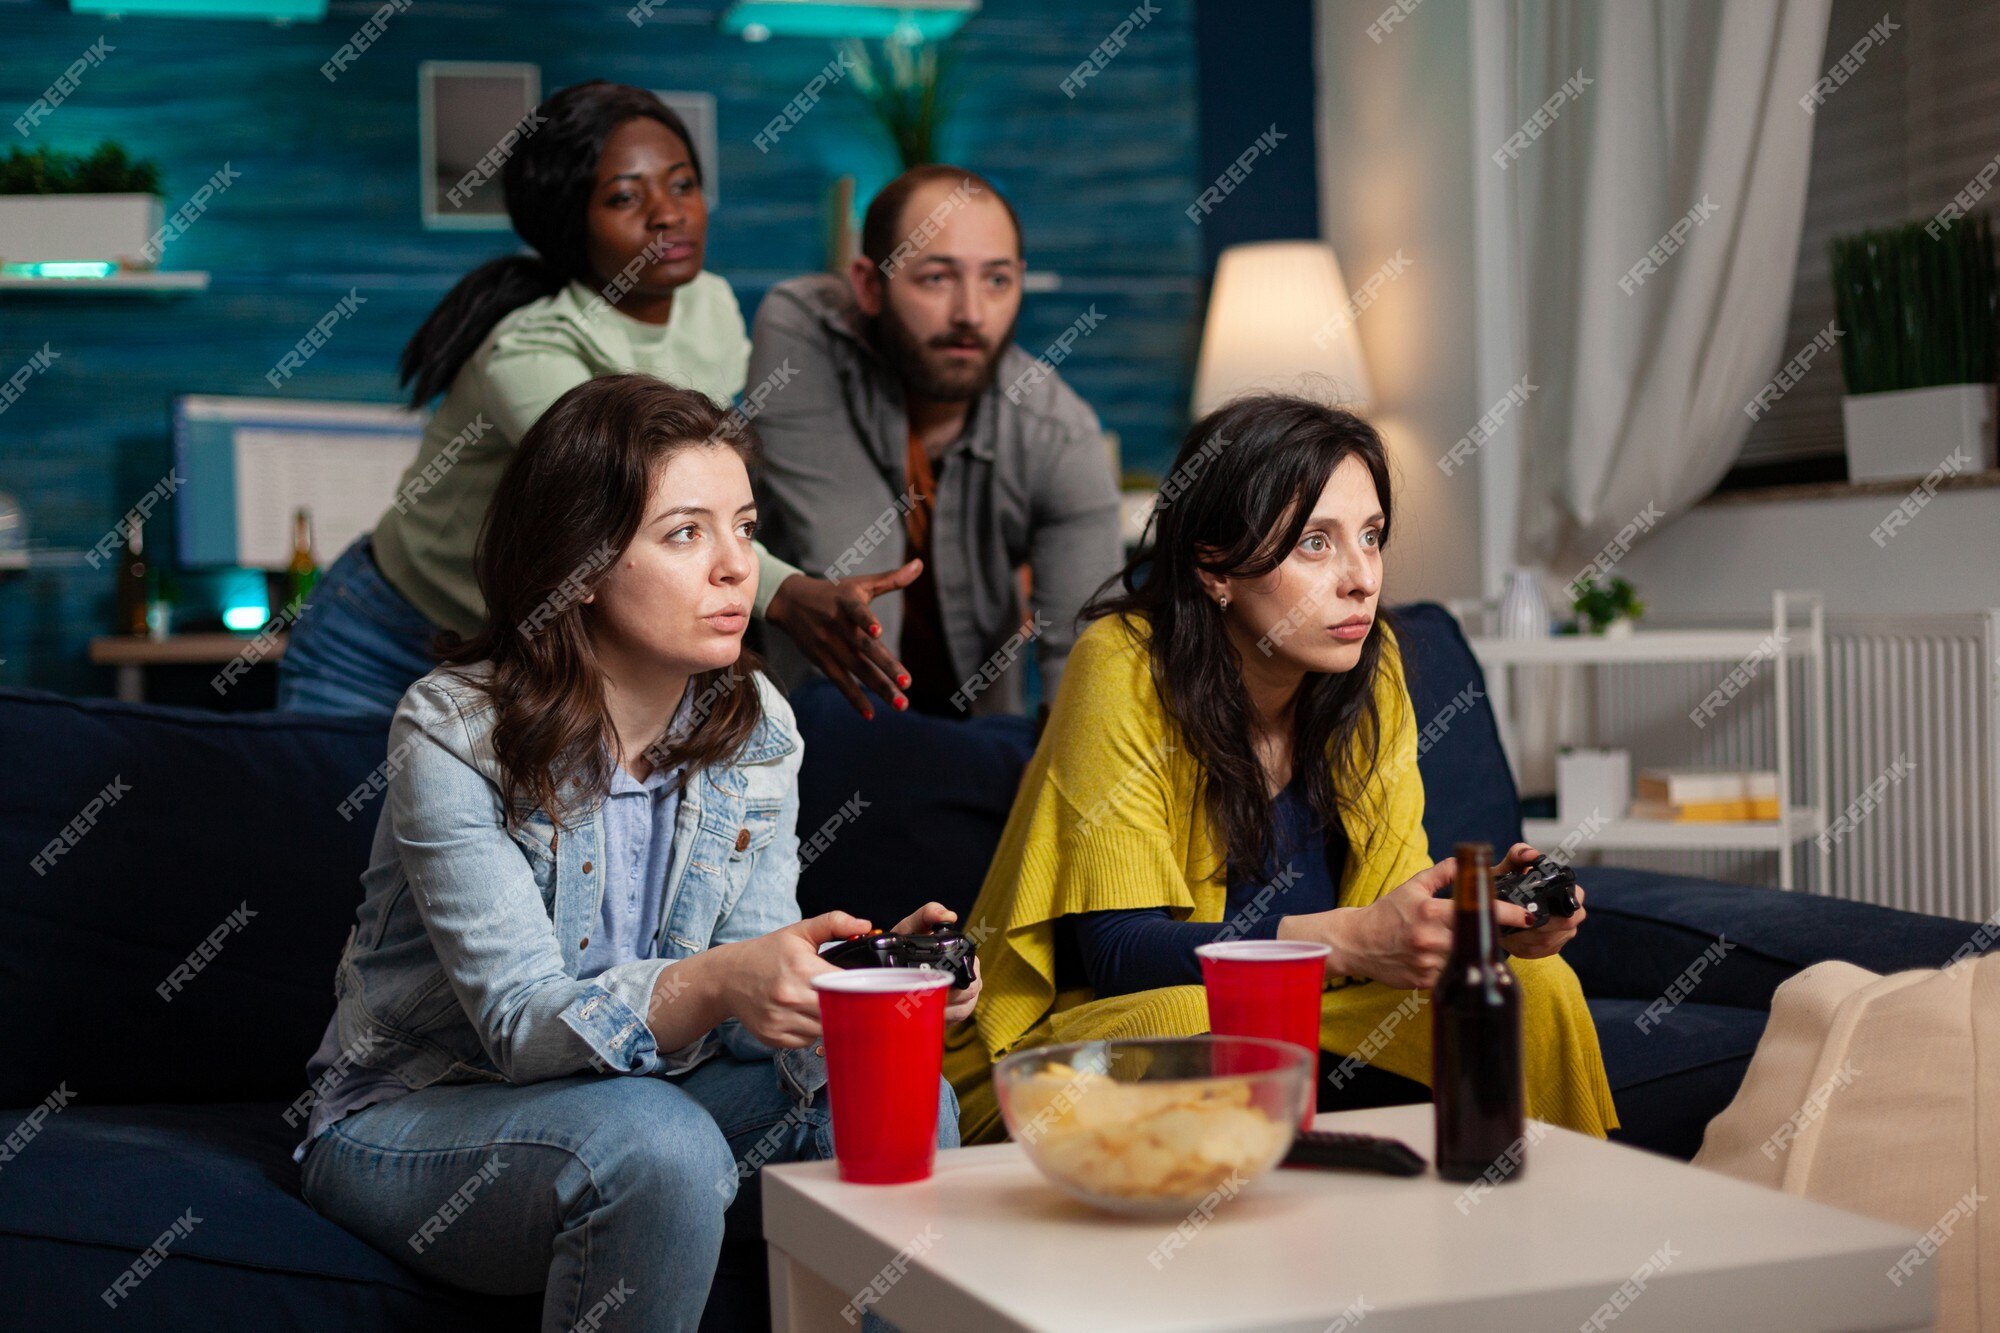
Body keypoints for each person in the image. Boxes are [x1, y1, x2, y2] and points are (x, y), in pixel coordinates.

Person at [295, 375, 977, 1330]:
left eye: (744, 527)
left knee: (899, 1098)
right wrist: (725, 980)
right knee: (657, 1146)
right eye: (685, 533)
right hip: (422, 1109)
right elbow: (523, 1027)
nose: (737, 568)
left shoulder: (757, 727)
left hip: (657, 1092)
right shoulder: (453, 729)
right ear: (578, 562)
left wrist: (849, 985)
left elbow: (746, 1015)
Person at [943, 394, 1618, 1144]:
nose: (1362, 578)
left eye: (1372, 536)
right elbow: (1123, 955)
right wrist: (1348, 940)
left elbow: (1391, 906)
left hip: (1317, 1008)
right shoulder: (1122, 665)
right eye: (1315, 545)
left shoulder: (1376, 666)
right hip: (1105, 1020)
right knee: (1189, 1018)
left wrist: (1469, 927)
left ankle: (1545, 1230)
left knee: (1531, 984)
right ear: (1213, 567)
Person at [277, 80, 912, 719]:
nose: (668, 213)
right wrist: (785, 593)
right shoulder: (529, 350)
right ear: (569, 223)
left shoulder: (712, 304)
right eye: (624, 197)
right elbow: (632, 491)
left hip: (521, 650)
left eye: (683, 184)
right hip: (383, 636)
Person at [747, 165, 1123, 718]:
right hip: (819, 730)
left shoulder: (1059, 433)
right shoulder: (806, 333)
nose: (971, 314)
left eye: (997, 280)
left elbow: (1089, 656)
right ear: (870, 286)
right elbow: (859, 580)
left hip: (974, 734)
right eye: (936, 278)